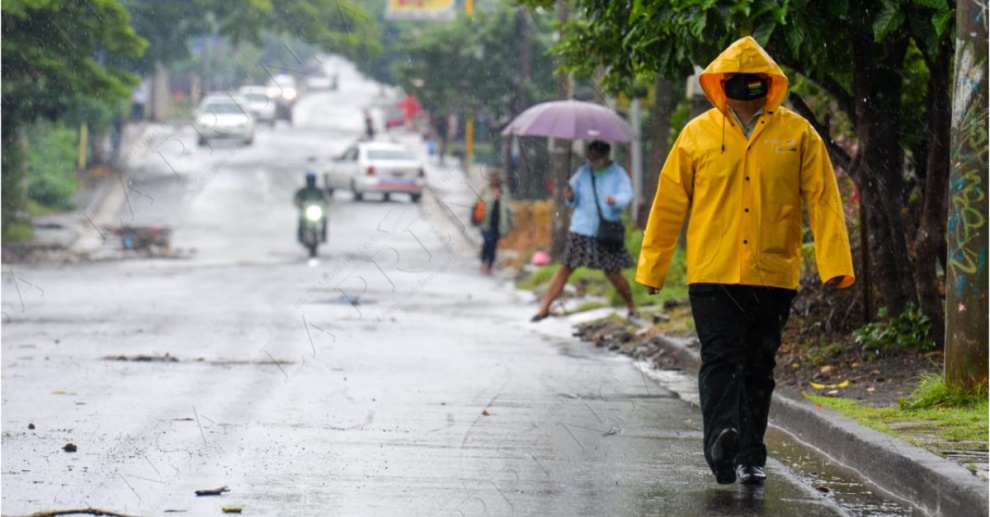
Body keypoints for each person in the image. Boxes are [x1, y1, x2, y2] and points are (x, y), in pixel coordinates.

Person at [635, 36, 855, 486]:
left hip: (773, 272)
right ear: (719, 85)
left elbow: (824, 199)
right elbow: (669, 202)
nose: (744, 91)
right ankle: (723, 440)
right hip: (712, 273)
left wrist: (835, 263)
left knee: (758, 365)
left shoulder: (797, 134)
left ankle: (751, 453)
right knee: (720, 359)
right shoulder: (696, 135)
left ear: (769, 85)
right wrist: (653, 267)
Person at [531, 140, 638, 322]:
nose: (592, 160)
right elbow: (572, 195)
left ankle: (631, 306)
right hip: (581, 228)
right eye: (590, 156)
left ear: (604, 155)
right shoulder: (583, 173)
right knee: (565, 268)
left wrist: (616, 200)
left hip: (606, 229)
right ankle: (544, 308)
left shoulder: (617, 173)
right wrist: (570, 196)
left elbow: (627, 194)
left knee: (612, 272)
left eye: (595, 156)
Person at [472, 173, 515, 274]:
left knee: (493, 245)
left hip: (498, 223)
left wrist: (511, 223)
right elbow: (477, 203)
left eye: (495, 179)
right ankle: (483, 262)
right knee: (487, 243)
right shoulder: (485, 189)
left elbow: (509, 208)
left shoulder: (504, 192)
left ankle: (489, 265)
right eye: (491, 179)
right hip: (485, 223)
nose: (493, 181)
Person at [294, 168, 330, 243]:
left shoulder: (319, 191)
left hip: (317, 210)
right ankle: (300, 236)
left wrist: (327, 202)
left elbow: (326, 198)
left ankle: (323, 236)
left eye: (312, 179)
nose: (311, 181)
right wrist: (298, 203)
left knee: (324, 219)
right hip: (306, 211)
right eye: (309, 179)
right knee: (301, 220)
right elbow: (296, 199)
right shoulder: (302, 191)